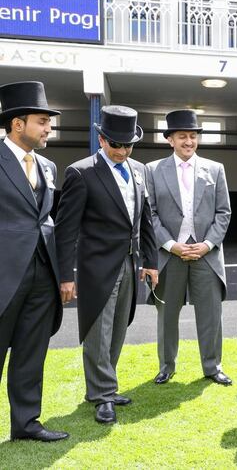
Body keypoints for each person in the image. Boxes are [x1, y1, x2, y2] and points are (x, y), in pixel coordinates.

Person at [55, 105, 158, 425]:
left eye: (128, 145)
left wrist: (151, 262)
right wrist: (64, 277)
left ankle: (105, 388)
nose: (123, 150)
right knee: (98, 332)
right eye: (116, 144)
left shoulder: (140, 171)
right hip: (95, 268)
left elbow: (145, 220)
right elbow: (65, 230)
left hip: (130, 263)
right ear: (101, 140)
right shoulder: (80, 172)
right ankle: (101, 394)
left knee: (116, 331)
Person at [0, 81, 67, 442]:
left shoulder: (48, 166)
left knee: (31, 352)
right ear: (18, 124)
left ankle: (26, 425)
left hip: (43, 273)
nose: (48, 128)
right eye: (43, 121)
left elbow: (46, 218)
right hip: (3, 275)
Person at [145, 110, 232, 386]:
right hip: (170, 255)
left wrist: (207, 245)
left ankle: (212, 366)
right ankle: (166, 366)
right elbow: (150, 214)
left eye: (193, 136)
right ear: (170, 139)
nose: (189, 141)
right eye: (182, 136)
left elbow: (223, 213)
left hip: (206, 255)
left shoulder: (216, 168)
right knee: (167, 315)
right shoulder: (153, 170)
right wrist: (171, 245)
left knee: (210, 315)